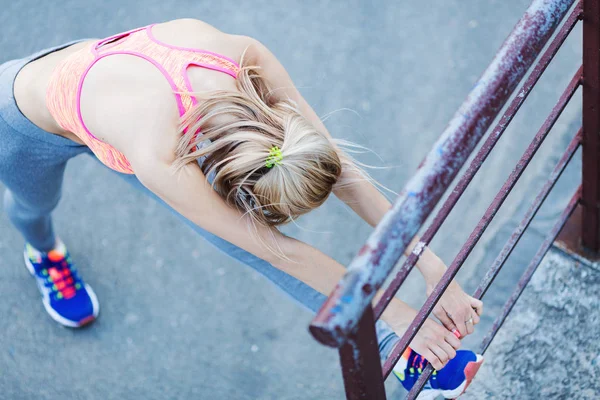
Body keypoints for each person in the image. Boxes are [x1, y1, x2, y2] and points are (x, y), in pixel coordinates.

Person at [1, 18, 483, 397]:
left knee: (238, 239)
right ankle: (43, 254)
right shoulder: (159, 153)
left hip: (108, 94)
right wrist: (400, 313)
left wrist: (432, 266)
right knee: (34, 207)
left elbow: (339, 169)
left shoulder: (243, 56)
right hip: (26, 123)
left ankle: (392, 349)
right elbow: (277, 249)